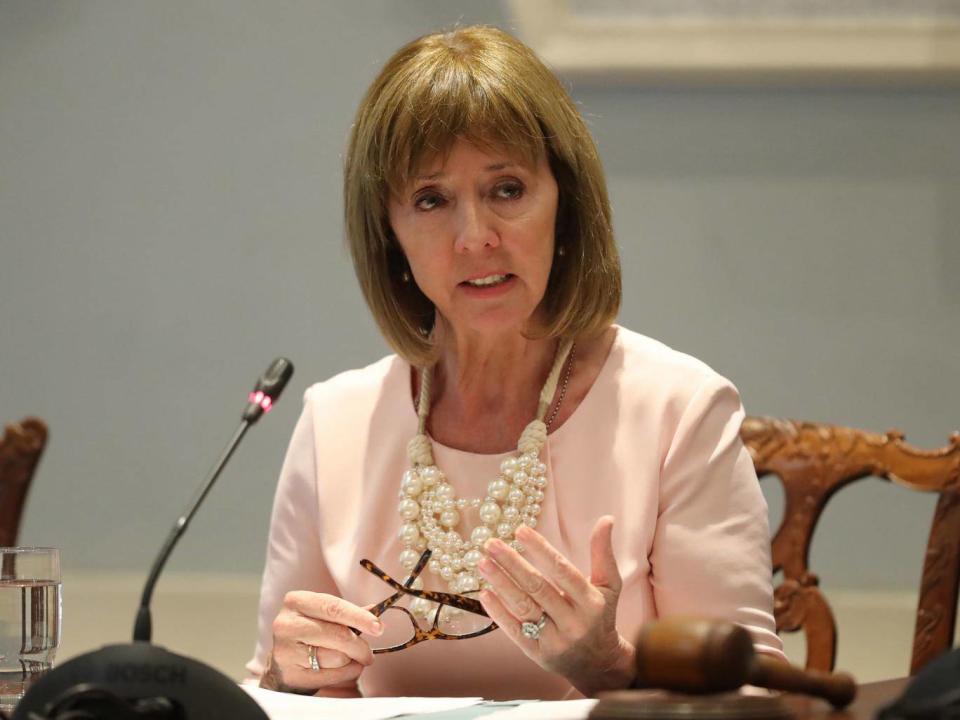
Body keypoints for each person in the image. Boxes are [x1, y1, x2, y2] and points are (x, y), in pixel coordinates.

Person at [247, 24, 784, 700]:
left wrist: (609, 668)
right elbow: (269, 689)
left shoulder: (679, 409)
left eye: (506, 190)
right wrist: (286, 676)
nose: (476, 238)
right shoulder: (335, 422)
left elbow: (752, 703)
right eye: (432, 200)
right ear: (390, 233)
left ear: (565, 203)